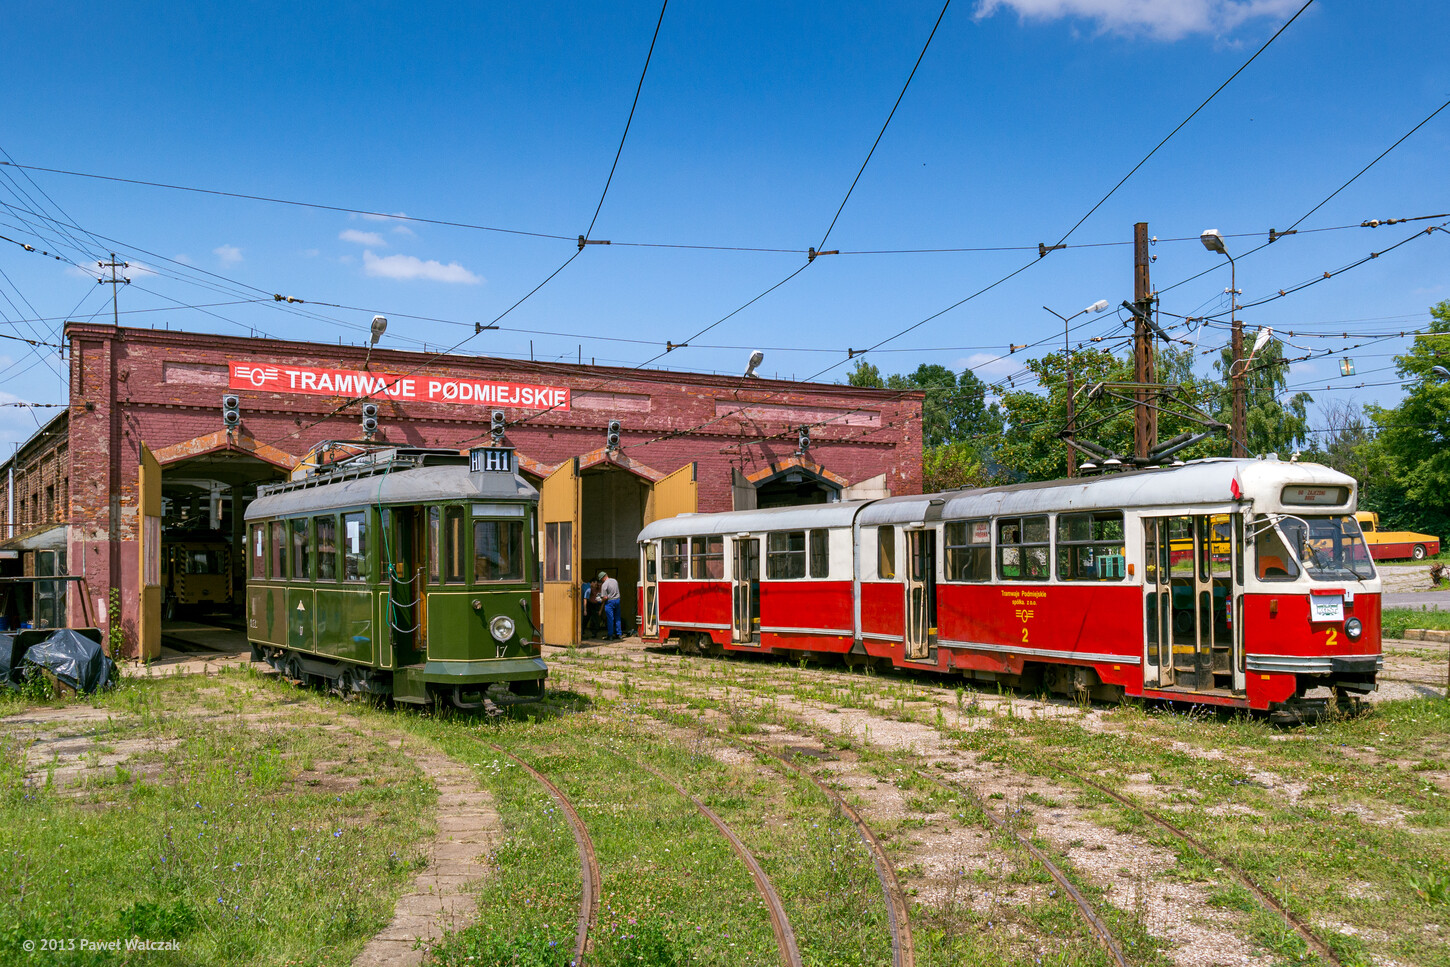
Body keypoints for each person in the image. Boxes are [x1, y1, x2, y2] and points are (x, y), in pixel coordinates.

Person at [598, 570, 622, 640]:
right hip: (617, 600)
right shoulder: (614, 581)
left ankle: (610, 635)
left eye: (601, 580)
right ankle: (619, 634)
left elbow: (605, 597)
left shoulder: (604, 585)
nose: (601, 581)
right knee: (617, 618)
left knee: (610, 619)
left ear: (603, 578)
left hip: (610, 602)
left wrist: (600, 601)